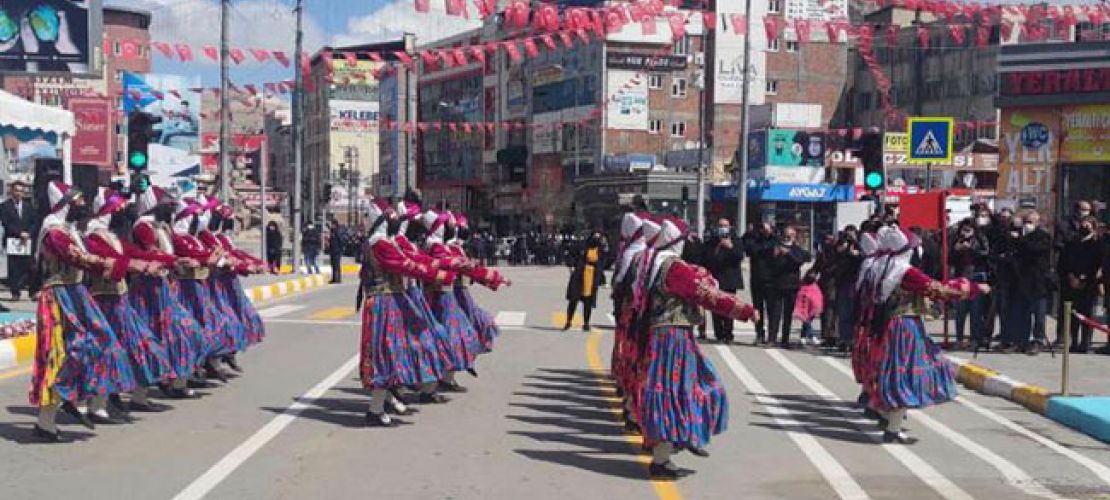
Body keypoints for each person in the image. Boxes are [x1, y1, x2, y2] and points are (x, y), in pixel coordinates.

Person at [638, 218, 757, 479]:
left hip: (663, 335)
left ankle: (672, 445)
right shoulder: (673, 267)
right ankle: (665, 455)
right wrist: (745, 310)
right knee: (686, 389)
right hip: (673, 338)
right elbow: (706, 295)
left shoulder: (654, 263)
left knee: (674, 390)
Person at [29, 181, 138, 441]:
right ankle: (47, 422)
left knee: (101, 342)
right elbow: (74, 256)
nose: (83, 206)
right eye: (77, 201)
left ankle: (74, 396)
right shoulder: (54, 231)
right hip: (59, 296)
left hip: (76, 293)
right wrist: (106, 262)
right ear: (65, 204)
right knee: (58, 354)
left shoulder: (69, 230)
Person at [860, 226, 989, 444]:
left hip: (888, 325)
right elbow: (939, 288)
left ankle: (886, 417)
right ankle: (892, 427)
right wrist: (975, 288)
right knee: (908, 372)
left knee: (893, 371)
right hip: (905, 326)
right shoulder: (904, 271)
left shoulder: (880, 267)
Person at [358, 198, 451, 427]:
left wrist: (434, 266)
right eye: (390, 218)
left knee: (396, 352)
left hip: (391, 302)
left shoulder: (385, 242)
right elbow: (404, 264)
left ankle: (386, 402)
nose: (395, 221)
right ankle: (377, 408)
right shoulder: (380, 244)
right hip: (384, 304)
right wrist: (435, 273)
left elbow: (409, 259)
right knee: (388, 354)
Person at [83, 187, 174, 416]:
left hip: (119, 300)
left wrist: (171, 260)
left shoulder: (112, 237)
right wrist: (137, 265)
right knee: (107, 349)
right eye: (117, 209)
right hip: (102, 300)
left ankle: (126, 396)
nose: (121, 213)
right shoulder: (93, 236)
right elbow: (114, 260)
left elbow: (135, 253)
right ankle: (97, 405)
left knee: (138, 345)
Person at [128, 186, 203, 400]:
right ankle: (140, 394)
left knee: (184, 333)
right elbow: (152, 253)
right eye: (169, 204)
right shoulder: (143, 227)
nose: (172, 208)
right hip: (148, 290)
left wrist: (188, 259)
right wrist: (176, 261)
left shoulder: (163, 227)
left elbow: (175, 250)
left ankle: (174, 381)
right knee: (152, 338)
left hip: (164, 287)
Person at [1009, 210, 1052, 355]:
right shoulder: (1020, 236)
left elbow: (1035, 250)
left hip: (1038, 281)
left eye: (1031, 222)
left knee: (1039, 314)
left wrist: (1021, 240)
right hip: (1022, 280)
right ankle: (1021, 340)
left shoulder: (1042, 236)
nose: (1027, 225)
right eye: (1026, 222)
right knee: (1022, 312)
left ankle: (1038, 340)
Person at [1058, 216, 1102, 353]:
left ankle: (1085, 342)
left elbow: (1097, 264)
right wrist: (1071, 276)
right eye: (1083, 224)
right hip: (1072, 283)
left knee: (1088, 314)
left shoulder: (1097, 244)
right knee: (1074, 314)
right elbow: (1064, 261)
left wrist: (1084, 278)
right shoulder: (1072, 242)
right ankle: (1074, 341)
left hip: (1089, 284)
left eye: (1088, 224)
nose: (1085, 227)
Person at [765, 226, 811, 348]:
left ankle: (785, 339)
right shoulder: (776, 246)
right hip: (777, 284)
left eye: (790, 235)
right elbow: (768, 264)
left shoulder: (796, 249)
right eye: (785, 234)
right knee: (775, 313)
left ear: (794, 236)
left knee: (788, 314)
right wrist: (774, 256)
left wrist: (788, 253)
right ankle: (772, 338)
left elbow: (799, 260)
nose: (787, 237)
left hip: (792, 285)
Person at [949, 219, 990, 350]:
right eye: (963, 229)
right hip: (961, 277)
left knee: (976, 311)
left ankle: (974, 339)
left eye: (968, 230)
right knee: (960, 311)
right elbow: (948, 259)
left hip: (976, 277)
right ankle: (959, 338)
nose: (965, 233)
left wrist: (971, 248)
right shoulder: (956, 240)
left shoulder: (980, 239)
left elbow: (986, 254)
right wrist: (956, 250)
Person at [704, 217, 744, 344]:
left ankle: (728, 334)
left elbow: (739, 257)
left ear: (730, 227)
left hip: (730, 279)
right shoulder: (712, 241)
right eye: (720, 225)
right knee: (715, 307)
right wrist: (717, 248)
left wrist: (730, 246)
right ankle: (719, 334)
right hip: (716, 279)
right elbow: (707, 259)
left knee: (729, 307)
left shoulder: (736, 240)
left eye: (725, 225)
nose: (723, 228)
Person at [1, 181, 36, 304]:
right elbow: (6, 223)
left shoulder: (28, 206)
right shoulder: (5, 206)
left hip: (26, 240)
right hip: (13, 240)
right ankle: (15, 292)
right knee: (14, 267)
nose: (19, 193)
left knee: (29, 266)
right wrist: (19, 233)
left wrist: (28, 233)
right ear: (12, 191)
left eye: (21, 191)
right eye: (16, 190)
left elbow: (33, 222)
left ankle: (32, 291)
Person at [563, 230, 604, 331]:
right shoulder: (581, 246)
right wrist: (571, 265)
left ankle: (586, 323)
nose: (596, 239)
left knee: (588, 301)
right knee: (574, 299)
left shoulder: (600, 249)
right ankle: (569, 321)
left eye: (598, 237)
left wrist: (601, 279)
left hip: (591, 277)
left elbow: (601, 264)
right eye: (595, 236)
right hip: (579, 275)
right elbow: (571, 255)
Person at [745, 223, 775, 344]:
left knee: (771, 309)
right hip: (757, 278)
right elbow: (750, 249)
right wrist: (751, 233)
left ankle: (771, 335)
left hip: (771, 279)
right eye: (763, 228)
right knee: (757, 308)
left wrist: (770, 236)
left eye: (767, 229)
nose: (765, 231)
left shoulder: (775, 240)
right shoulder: (755, 240)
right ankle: (759, 333)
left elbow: (775, 246)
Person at [794, 272, 823, 346]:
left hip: (812, 309)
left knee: (807, 322)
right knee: (807, 321)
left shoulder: (815, 288)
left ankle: (803, 337)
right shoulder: (803, 288)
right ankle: (812, 336)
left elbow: (817, 299)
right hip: (804, 309)